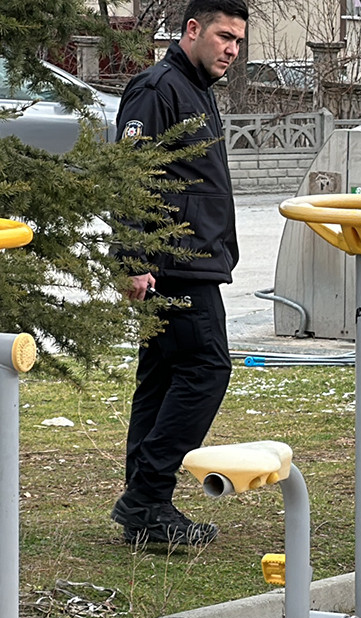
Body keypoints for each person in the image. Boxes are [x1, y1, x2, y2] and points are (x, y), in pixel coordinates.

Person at [112, 0, 248, 547]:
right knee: (207, 369)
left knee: (163, 378)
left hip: (195, 260)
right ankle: (145, 498)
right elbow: (129, 174)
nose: (231, 50)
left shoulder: (197, 90)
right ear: (192, 30)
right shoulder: (158, 88)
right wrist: (134, 260)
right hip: (175, 265)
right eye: (222, 36)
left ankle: (143, 508)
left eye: (238, 41)